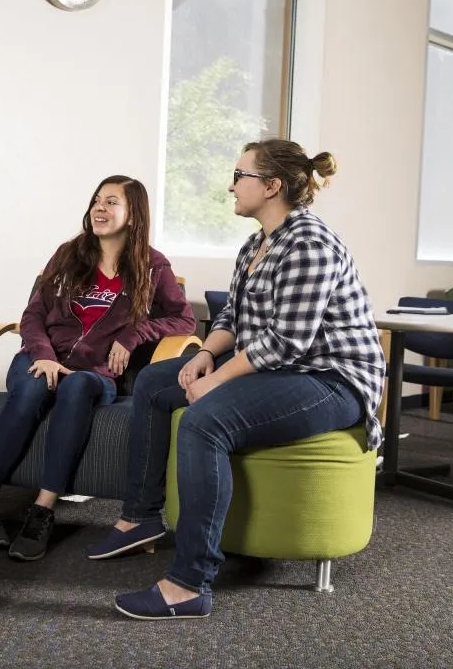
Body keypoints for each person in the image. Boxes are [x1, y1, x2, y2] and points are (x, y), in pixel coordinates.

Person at [88, 139, 386, 620]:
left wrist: (218, 380)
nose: (231, 184)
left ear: (271, 186)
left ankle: (189, 584)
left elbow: (287, 341)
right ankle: (140, 517)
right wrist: (206, 353)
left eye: (240, 175)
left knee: (206, 421)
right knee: (154, 384)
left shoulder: (310, 244)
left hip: (333, 378)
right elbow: (233, 316)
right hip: (284, 366)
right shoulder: (256, 243)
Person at [0, 175, 196, 562]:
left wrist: (134, 335)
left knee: (77, 387)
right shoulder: (68, 254)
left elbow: (184, 320)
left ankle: (42, 509)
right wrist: (42, 354)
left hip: (95, 373)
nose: (99, 208)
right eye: (97, 200)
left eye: (112, 202)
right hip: (40, 356)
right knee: (31, 388)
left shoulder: (151, 265)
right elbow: (34, 314)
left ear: (133, 213)